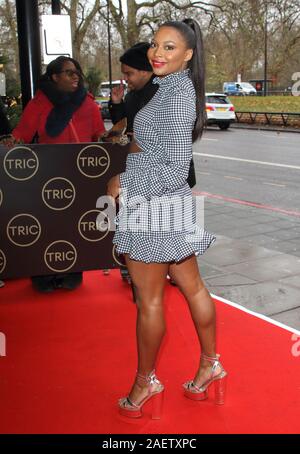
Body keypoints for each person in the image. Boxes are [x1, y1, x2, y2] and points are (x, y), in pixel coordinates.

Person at [107, 19, 227, 419]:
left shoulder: (175, 96)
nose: (158, 53)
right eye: (156, 45)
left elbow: (175, 167)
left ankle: (145, 383)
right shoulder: (173, 88)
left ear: (188, 55)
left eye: (170, 47)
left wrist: (124, 179)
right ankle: (211, 365)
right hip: (168, 204)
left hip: (153, 206)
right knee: (192, 287)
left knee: (149, 301)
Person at [12, 56, 105, 292]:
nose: (76, 77)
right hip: (46, 174)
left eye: (77, 73)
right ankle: (43, 274)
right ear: (54, 77)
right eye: (69, 72)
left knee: (75, 225)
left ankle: (73, 272)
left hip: (80, 173)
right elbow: (21, 135)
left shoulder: (88, 103)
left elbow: (99, 136)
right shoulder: (40, 103)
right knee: (47, 225)